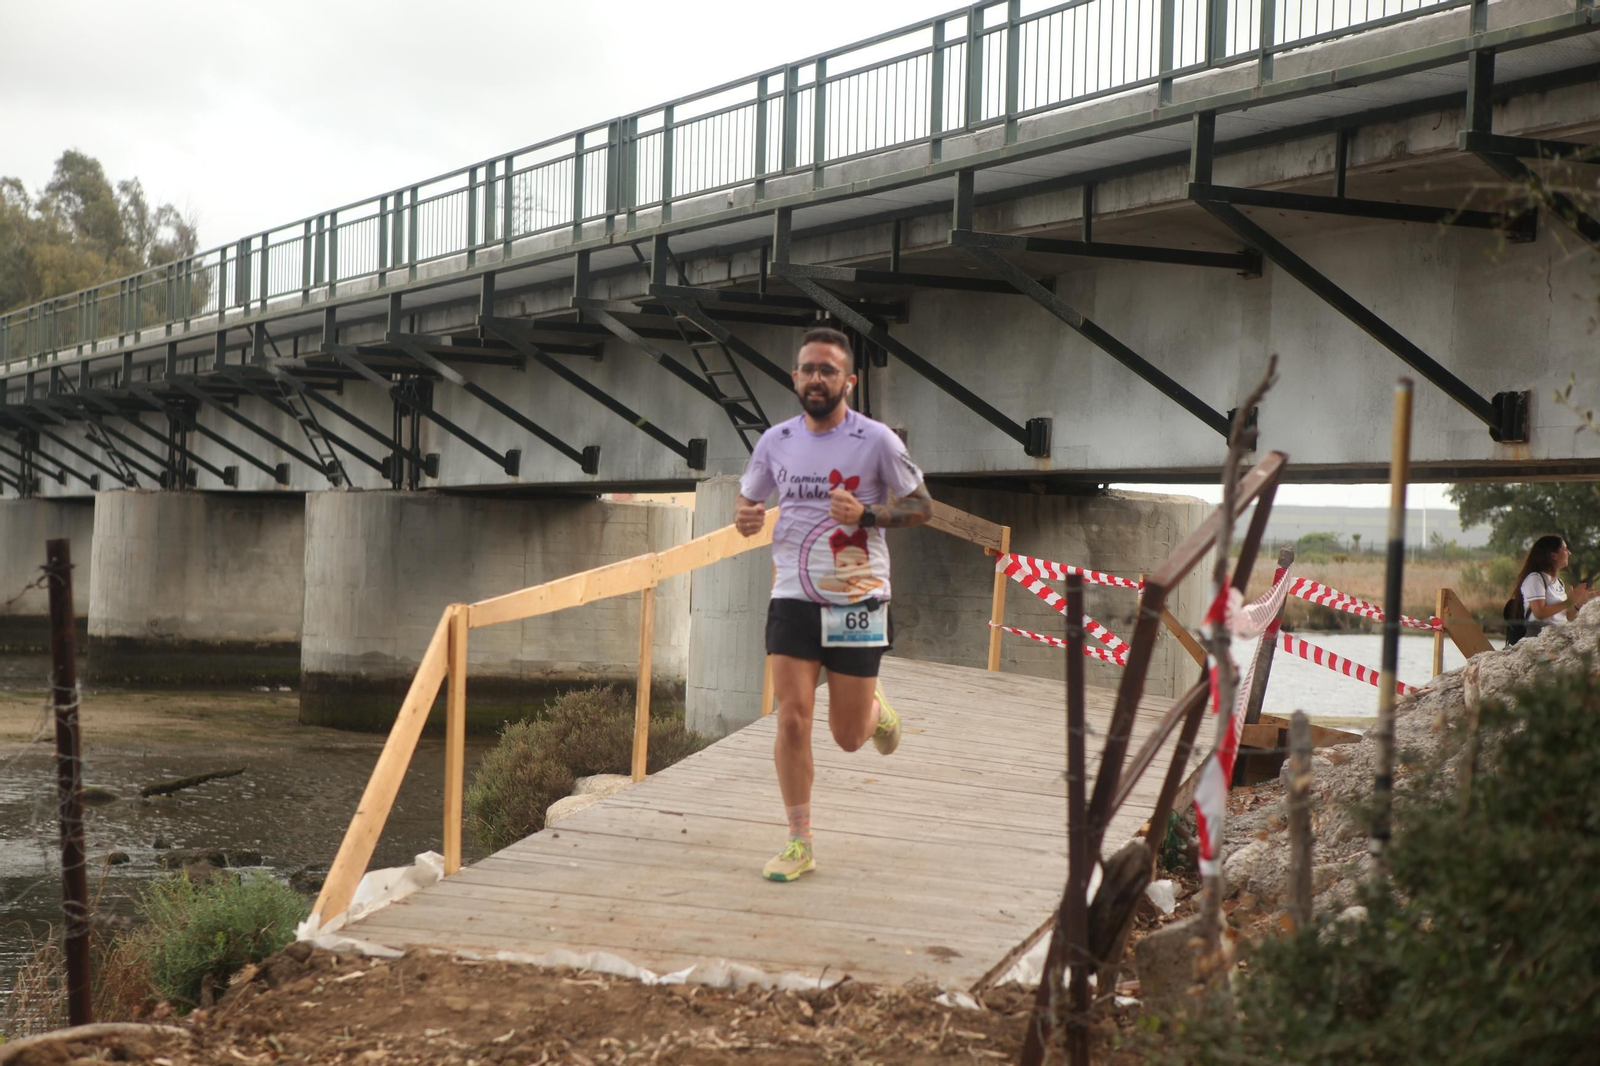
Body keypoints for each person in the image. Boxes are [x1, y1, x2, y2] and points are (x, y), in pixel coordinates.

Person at [734, 327, 932, 882]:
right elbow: (748, 502)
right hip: (792, 596)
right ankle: (800, 842)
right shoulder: (775, 441)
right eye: (808, 369)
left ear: (850, 380)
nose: (816, 378)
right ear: (794, 378)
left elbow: (923, 507)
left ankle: (874, 711)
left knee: (847, 739)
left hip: (855, 596)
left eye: (828, 369)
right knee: (792, 718)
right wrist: (745, 517)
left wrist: (867, 516)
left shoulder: (877, 441)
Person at [1514, 534, 1591, 632]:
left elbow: (1567, 616)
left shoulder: (1558, 582)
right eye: (1565, 549)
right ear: (1553, 555)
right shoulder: (1535, 579)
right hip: (1539, 636)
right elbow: (1539, 613)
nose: (1569, 553)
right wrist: (1569, 602)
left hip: (1558, 634)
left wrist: (1579, 603)